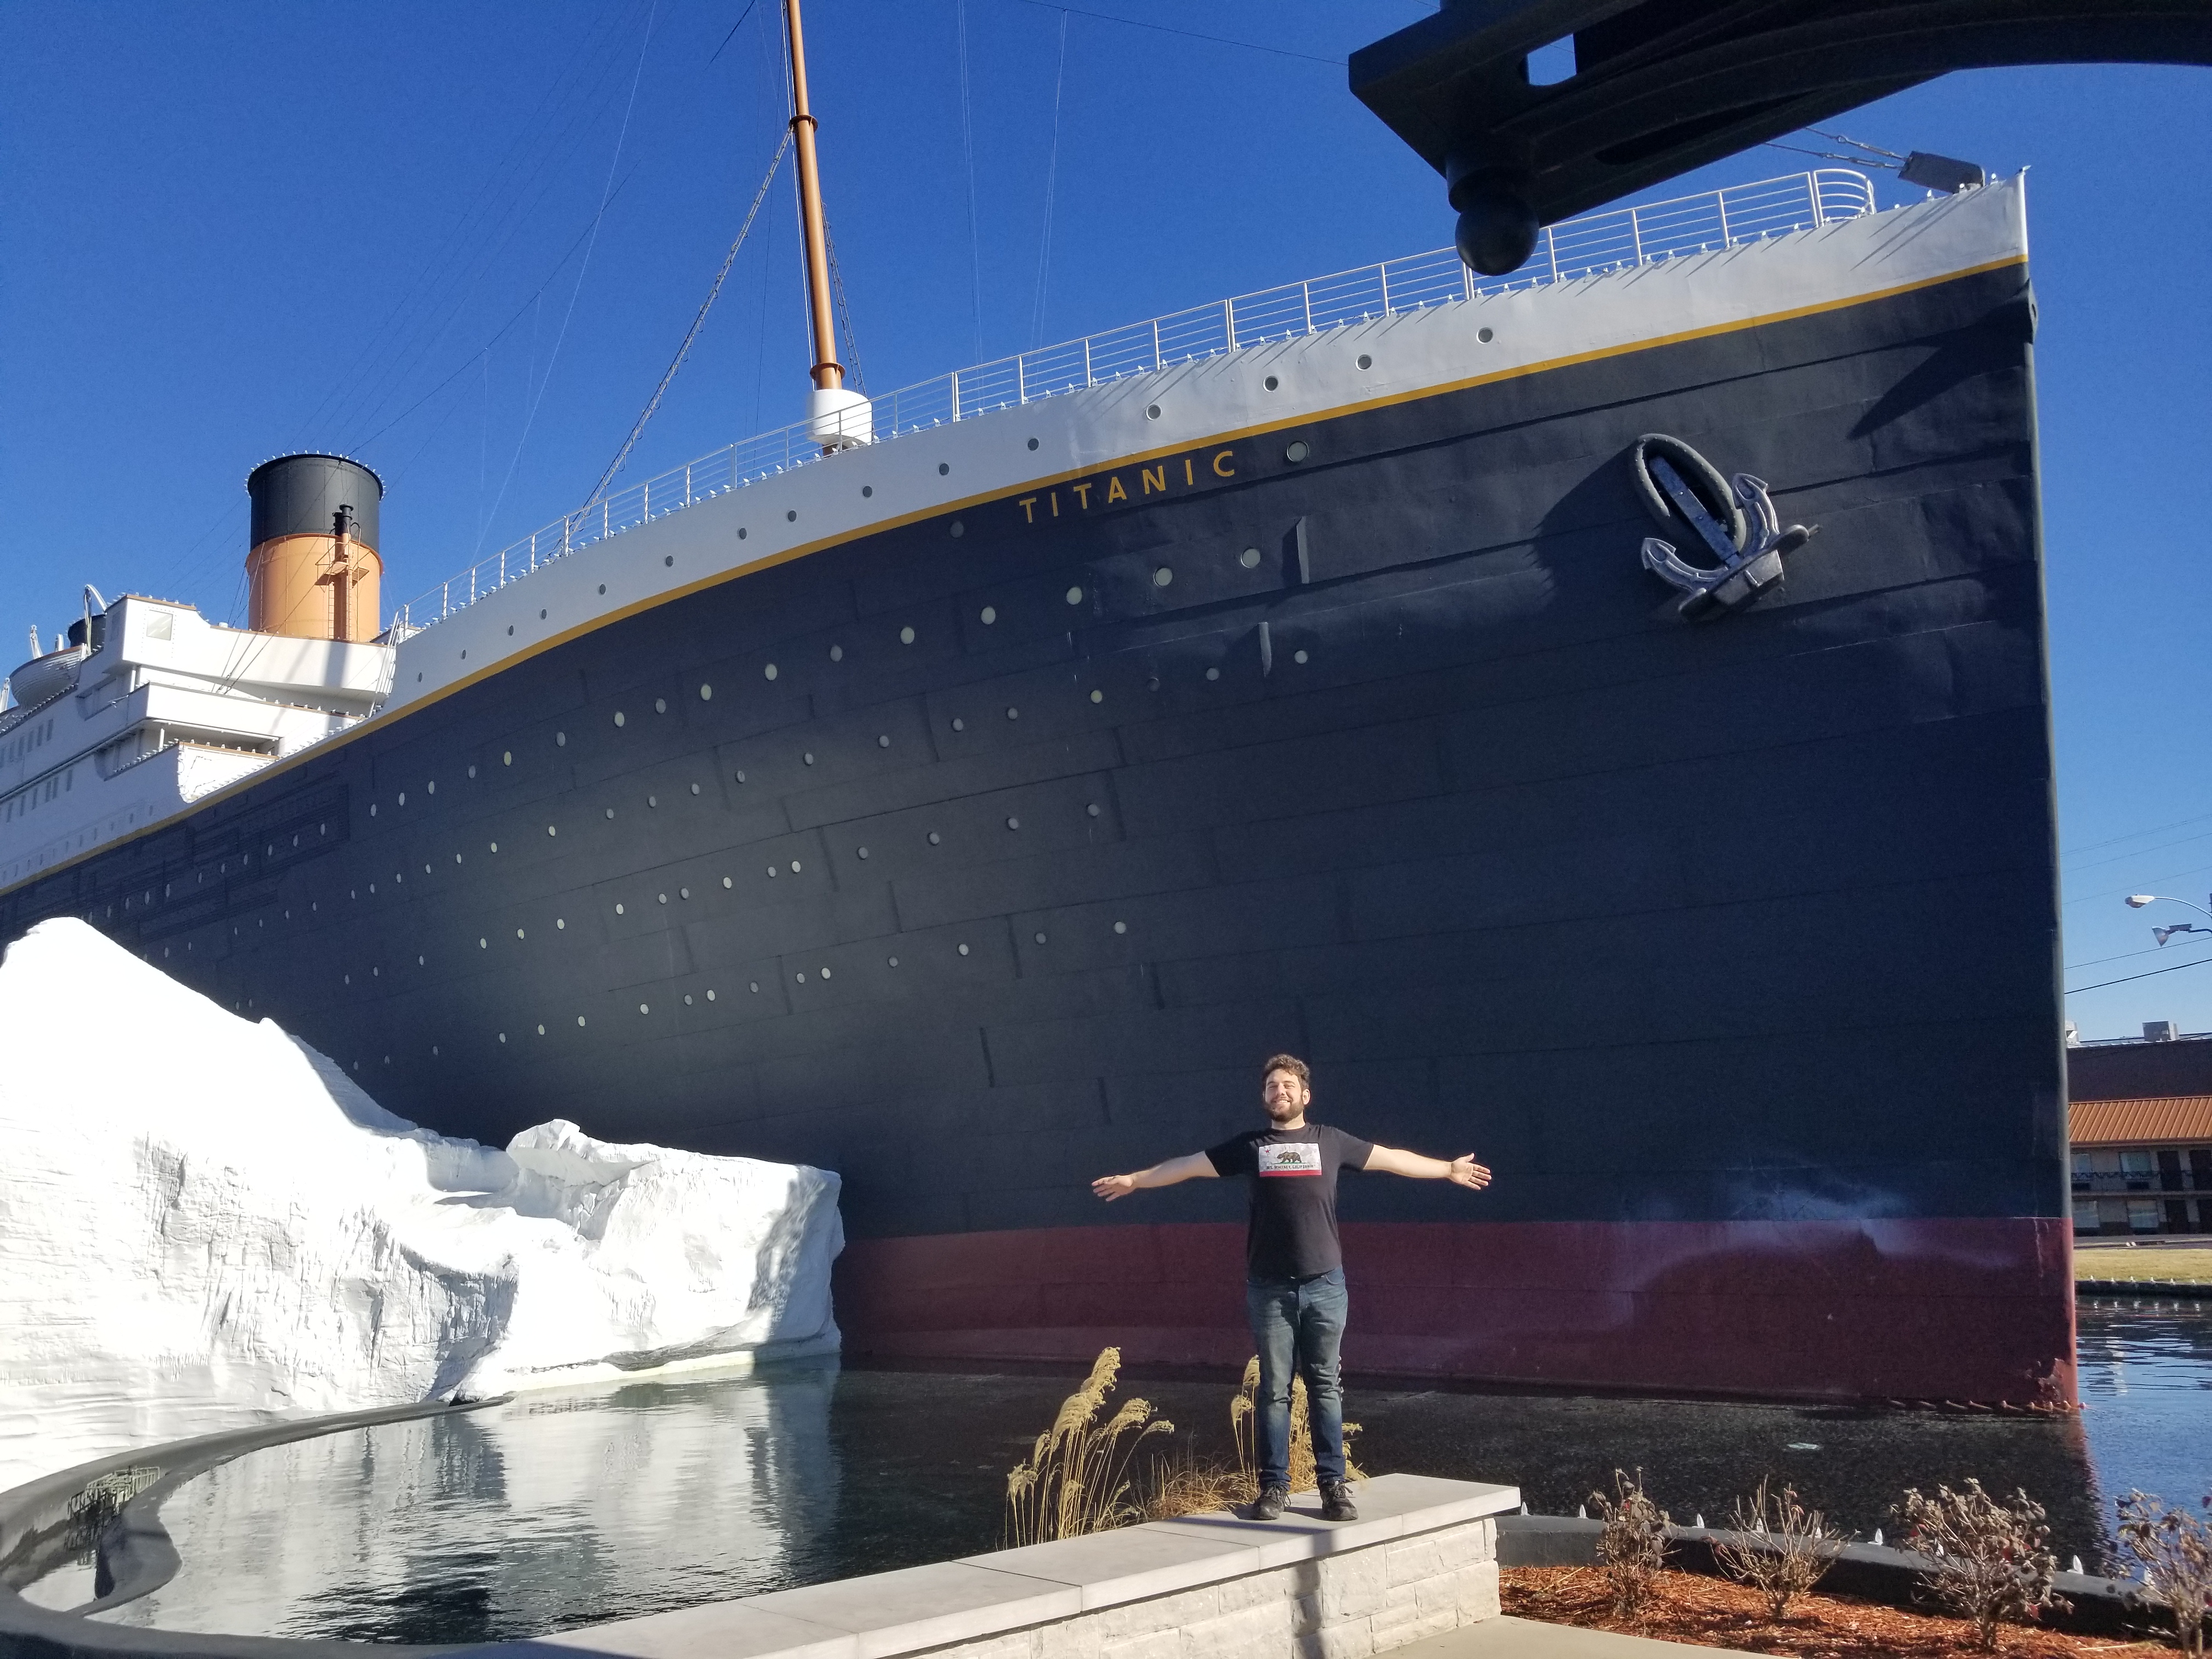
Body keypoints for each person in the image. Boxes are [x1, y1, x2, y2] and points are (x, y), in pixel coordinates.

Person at [1090, 1053, 1492, 1523]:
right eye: (1271, 1087)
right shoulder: (1249, 1146)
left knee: (1325, 1385)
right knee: (1274, 1390)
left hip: (1326, 1285)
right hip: (1270, 1290)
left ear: (1305, 1096)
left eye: (1288, 1086)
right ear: (1264, 1098)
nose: (1279, 1092)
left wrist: (1447, 1169)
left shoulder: (1332, 1142)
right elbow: (1187, 1165)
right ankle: (1275, 1488)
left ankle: (1333, 1486)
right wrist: (1136, 1180)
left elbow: (1393, 1159)